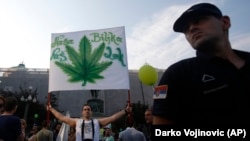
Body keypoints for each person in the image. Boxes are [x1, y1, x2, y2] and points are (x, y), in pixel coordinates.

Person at [152, 2, 250, 125]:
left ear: (224, 22)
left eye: (198, 20)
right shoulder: (176, 74)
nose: (192, 28)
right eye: (186, 29)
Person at [47, 103, 131, 141]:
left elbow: (112, 118)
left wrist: (125, 111)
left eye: (88, 109)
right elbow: (62, 118)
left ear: (91, 112)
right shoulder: (77, 122)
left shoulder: (97, 122)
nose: (87, 111)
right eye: (85, 109)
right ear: (82, 112)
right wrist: (51, 109)